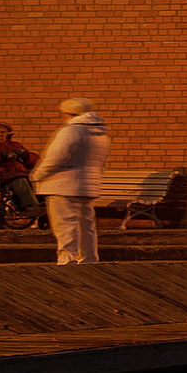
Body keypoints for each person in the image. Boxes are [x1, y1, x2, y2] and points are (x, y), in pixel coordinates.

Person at [31, 98, 109, 264]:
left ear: (69, 113)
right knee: (86, 226)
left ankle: (67, 260)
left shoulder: (71, 131)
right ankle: (89, 259)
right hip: (88, 186)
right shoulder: (101, 134)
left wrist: (37, 176)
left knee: (65, 225)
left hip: (62, 185)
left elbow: (55, 158)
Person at [0, 121, 40, 228]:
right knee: (19, 180)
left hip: (18, 173)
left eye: (3, 132)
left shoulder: (14, 145)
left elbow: (34, 160)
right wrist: (3, 156)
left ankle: (40, 206)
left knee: (35, 180)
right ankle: (28, 206)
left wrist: (26, 156)